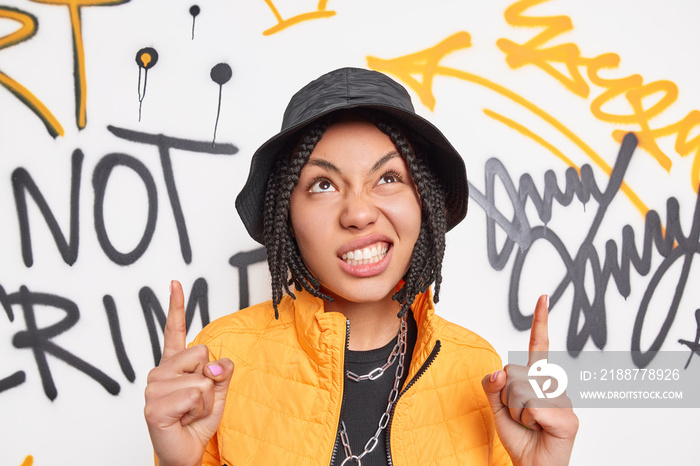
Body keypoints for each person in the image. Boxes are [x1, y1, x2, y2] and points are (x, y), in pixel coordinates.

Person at [144, 67, 578, 466]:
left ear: (423, 201)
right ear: (287, 216)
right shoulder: (222, 357)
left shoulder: (478, 369)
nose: (358, 213)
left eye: (388, 178)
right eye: (323, 184)